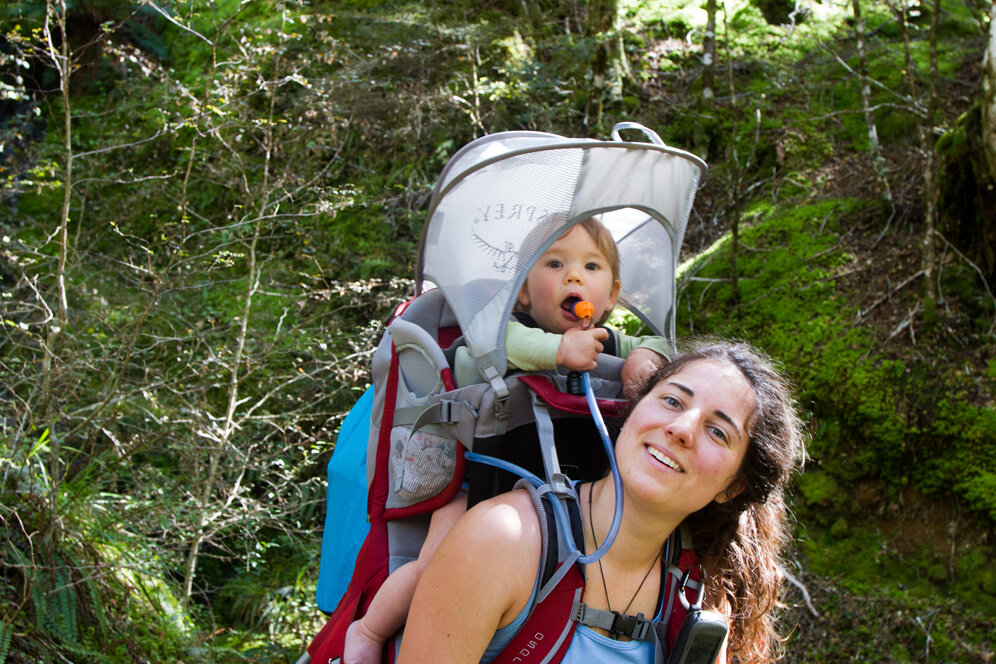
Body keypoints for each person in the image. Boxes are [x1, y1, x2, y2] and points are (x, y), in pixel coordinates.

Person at [343, 217, 673, 664]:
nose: (574, 276)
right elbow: (492, 345)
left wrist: (645, 355)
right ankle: (369, 629)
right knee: (436, 561)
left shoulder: (609, 341)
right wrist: (557, 352)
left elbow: (666, 343)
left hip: (568, 496)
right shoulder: (502, 327)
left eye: (591, 267)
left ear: (612, 295)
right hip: (480, 483)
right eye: (555, 263)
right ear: (521, 290)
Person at [397, 339, 807, 664]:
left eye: (718, 432)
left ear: (733, 487)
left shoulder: (697, 595)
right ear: (633, 412)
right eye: (672, 401)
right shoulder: (503, 541)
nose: (681, 428)